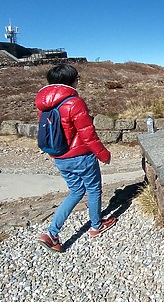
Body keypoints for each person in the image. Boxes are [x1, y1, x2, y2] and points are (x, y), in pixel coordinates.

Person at [35, 64, 116, 252]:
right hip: (81, 156)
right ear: (71, 80)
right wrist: (103, 154)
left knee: (76, 191)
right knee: (94, 190)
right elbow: (88, 134)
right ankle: (96, 226)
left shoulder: (43, 104)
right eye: (77, 78)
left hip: (59, 157)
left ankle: (51, 233)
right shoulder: (74, 102)